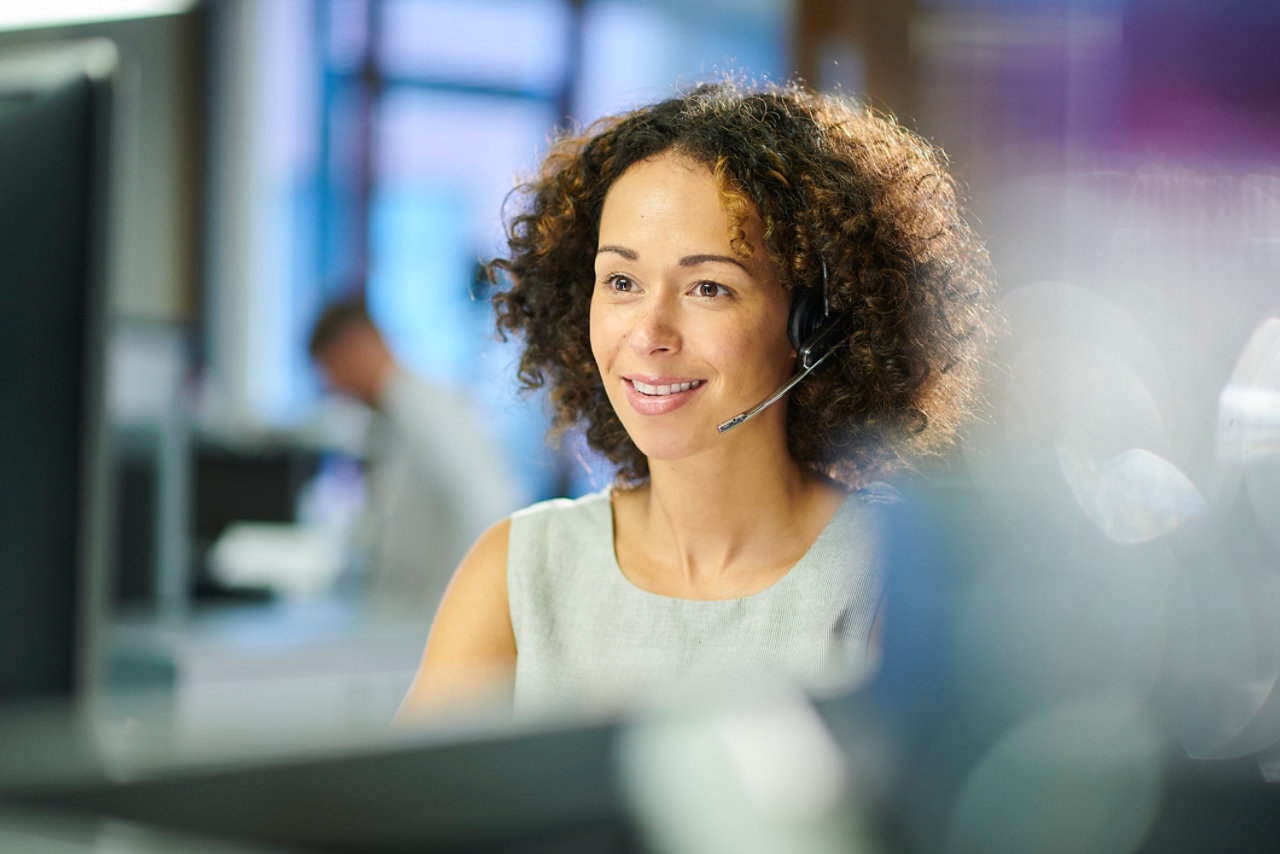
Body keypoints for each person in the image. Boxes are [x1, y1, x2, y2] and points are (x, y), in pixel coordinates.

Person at [397, 80, 996, 718]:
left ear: (813, 324)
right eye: (622, 281)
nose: (650, 335)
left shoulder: (892, 580)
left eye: (709, 287)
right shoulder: (518, 572)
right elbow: (397, 814)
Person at [308, 297, 524, 620]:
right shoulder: (386, 421)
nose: (332, 387)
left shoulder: (431, 411)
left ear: (352, 349)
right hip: (405, 628)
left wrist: (471, 620)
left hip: (439, 631)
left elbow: (492, 507)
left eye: (329, 370)